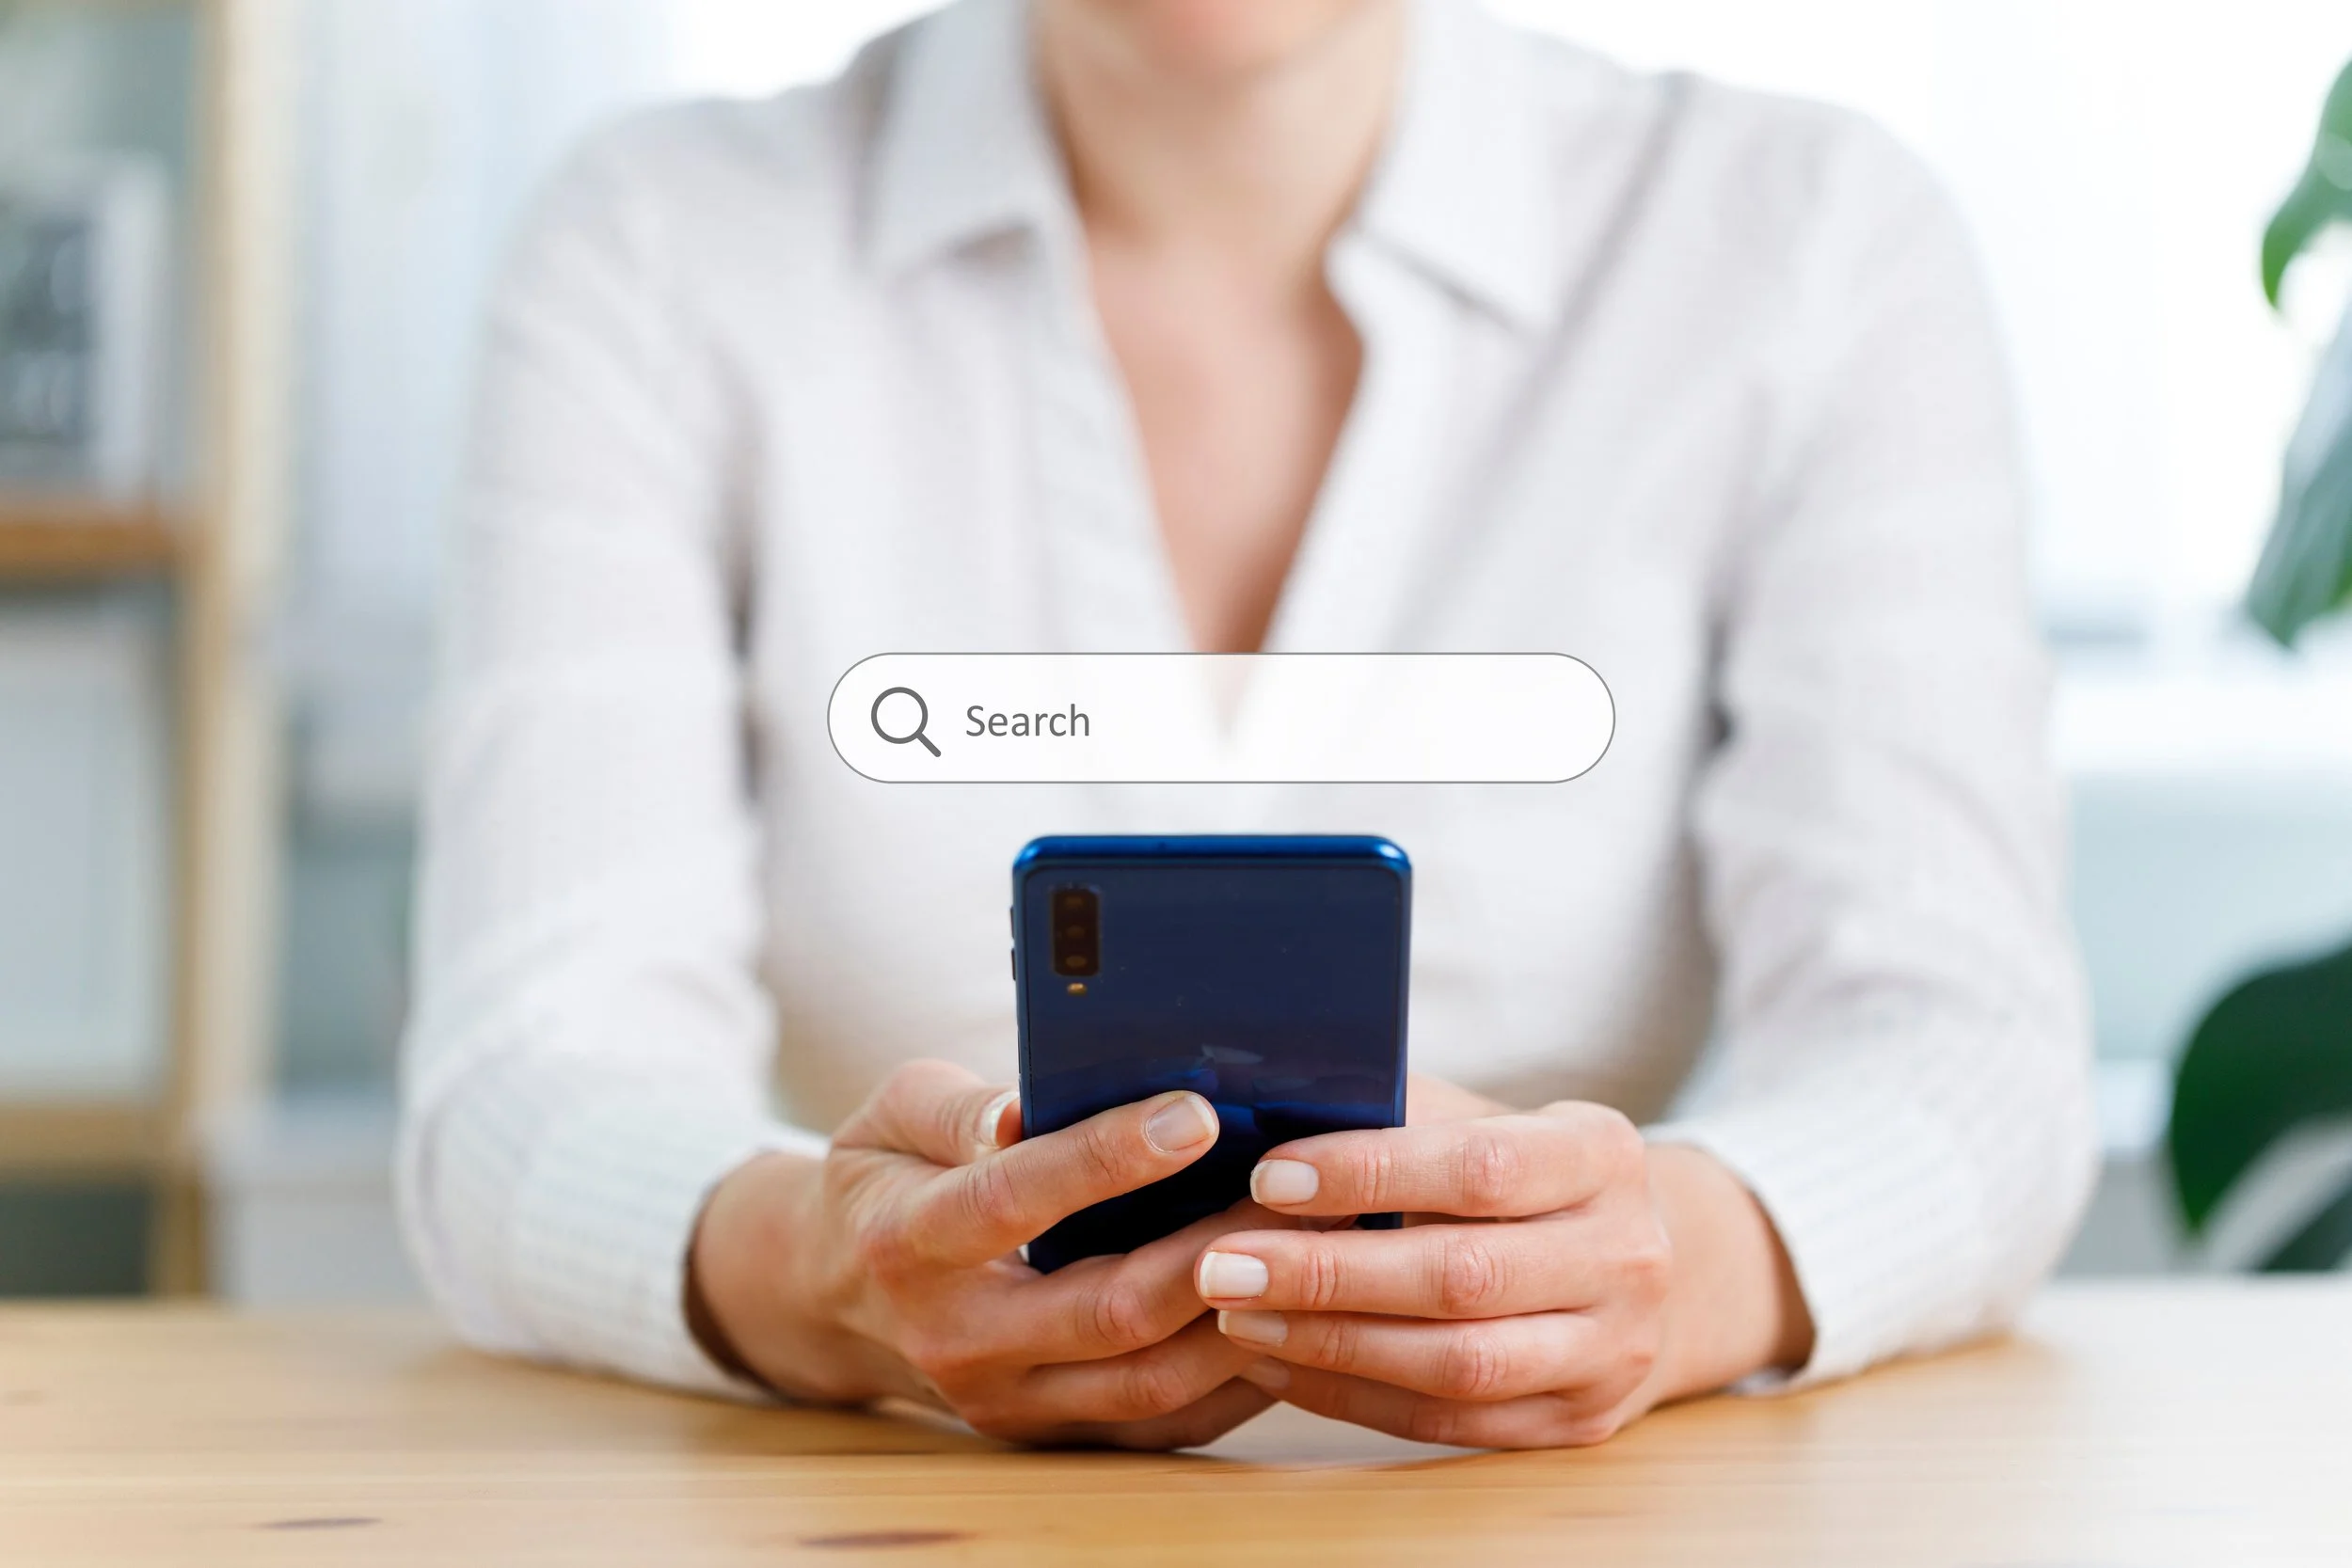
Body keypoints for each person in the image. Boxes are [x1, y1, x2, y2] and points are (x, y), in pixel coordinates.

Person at [398, 0, 2094, 1450]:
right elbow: (526, 1071)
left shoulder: (1804, 238)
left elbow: (1968, 1055)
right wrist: (823, 1276)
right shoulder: (661, 243)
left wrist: (1675, 1267)